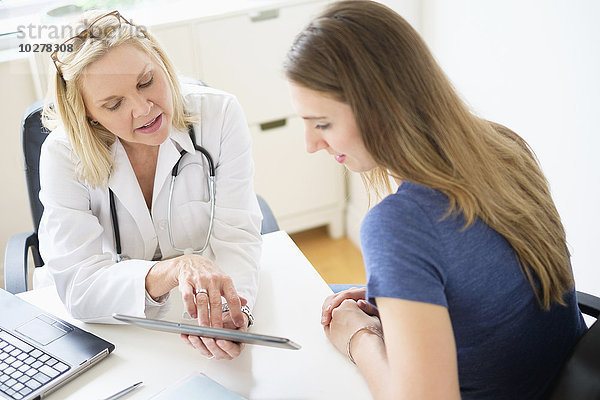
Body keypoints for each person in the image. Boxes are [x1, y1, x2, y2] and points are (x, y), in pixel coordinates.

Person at [283, 1, 586, 398]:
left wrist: (357, 337)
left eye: (322, 123)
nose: (310, 145)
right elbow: (490, 278)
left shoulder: (398, 225)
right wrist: (401, 294)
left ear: (381, 110)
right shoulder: (504, 145)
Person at [38, 10, 262, 360]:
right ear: (87, 113)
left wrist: (235, 312)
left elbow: (236, 237)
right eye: (114, 104)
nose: (144, 110)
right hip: (116, 334)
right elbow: (80, 287)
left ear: (161, 62)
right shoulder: (63, 155)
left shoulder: (219, 116)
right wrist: (174, 270)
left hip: (202, 312)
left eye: (146, 82)